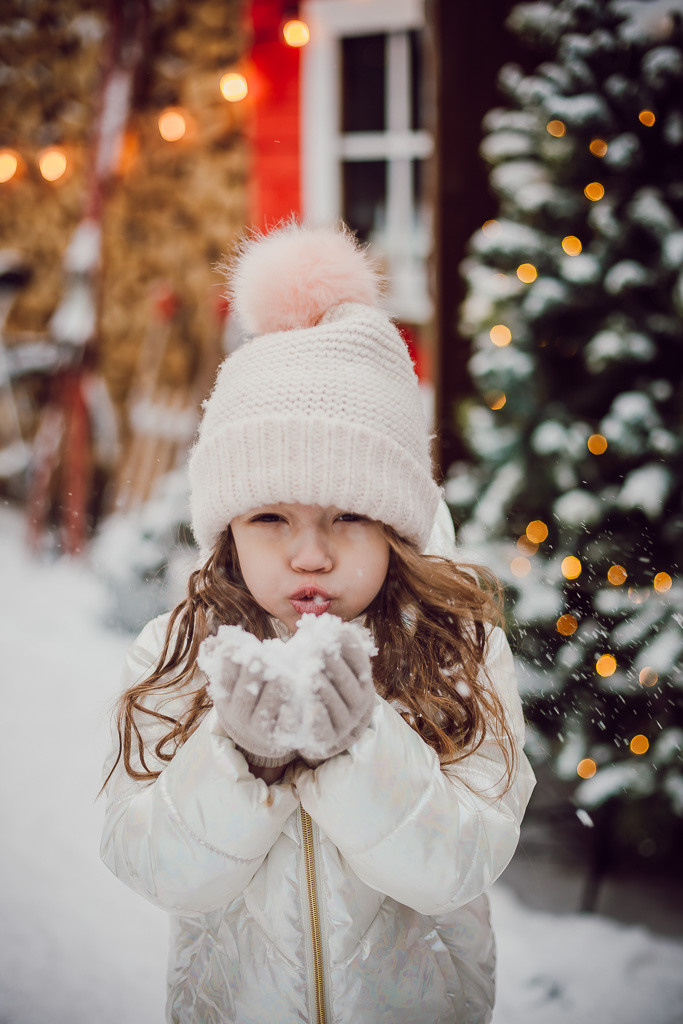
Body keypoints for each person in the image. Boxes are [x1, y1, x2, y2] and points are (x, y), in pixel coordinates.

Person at [100, 222, 536, 1024]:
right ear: (226, 527)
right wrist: (242, 760)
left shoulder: (457, 652)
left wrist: (358, 747)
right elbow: (151, 864)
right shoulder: (178, 654)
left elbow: (464, 862)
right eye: (270, 516)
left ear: (395, 526)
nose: (310, 555)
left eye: (348, 515)